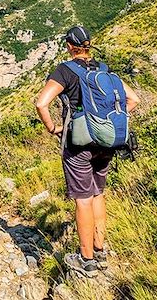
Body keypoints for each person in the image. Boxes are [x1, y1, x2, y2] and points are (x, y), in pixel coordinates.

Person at [34, 26, 140, 277]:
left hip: (79, 144)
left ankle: (87, 259)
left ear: (70, 46)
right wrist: (107, 123)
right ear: (89, 45)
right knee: (98, 194)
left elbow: (41, 103)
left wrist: (54, 129)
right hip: (107, 142)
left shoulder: (65, 70)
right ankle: (100, 249)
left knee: (82, 198)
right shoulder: (104, 70)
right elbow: (133, 100)